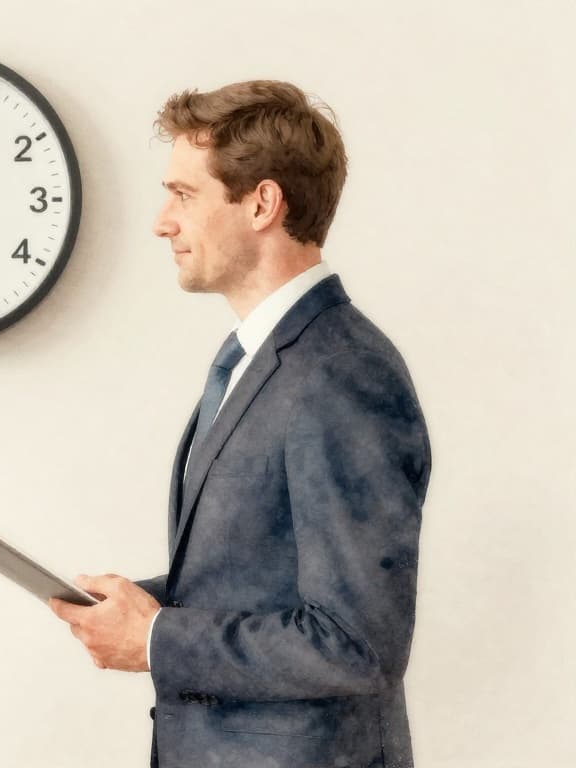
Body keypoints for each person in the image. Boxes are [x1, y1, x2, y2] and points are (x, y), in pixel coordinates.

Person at [50, 81, 431, 767]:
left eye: (184, 194)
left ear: (261, 203)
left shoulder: (342, 373)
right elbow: (264, 581)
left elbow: (359, 642)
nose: (162, 221)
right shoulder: (248, 358)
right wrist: (145, 606)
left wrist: (158, 639)